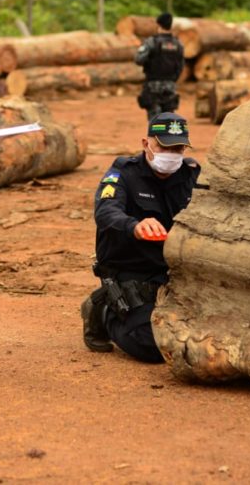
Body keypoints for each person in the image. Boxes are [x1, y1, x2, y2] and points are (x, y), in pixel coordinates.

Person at [80, 112, 200, 363]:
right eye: (164, 146)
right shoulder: (123, 173)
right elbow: (105, 212)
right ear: (146, 143)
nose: (172, 154)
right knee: (154, 345)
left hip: (174, 275)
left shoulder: (191, 175)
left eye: (178, 148)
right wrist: (133, 226)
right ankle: (103, 310)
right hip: (133, 275)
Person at [135, 12, 185, 120]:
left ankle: (155, 137)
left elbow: (138, 60)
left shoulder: (151, 42)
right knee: (168, 122)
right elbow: (181, 66)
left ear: (158, 25)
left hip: (153, 87)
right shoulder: (178, 44)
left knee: (155, 123)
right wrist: (172, 80)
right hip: (170, 87)